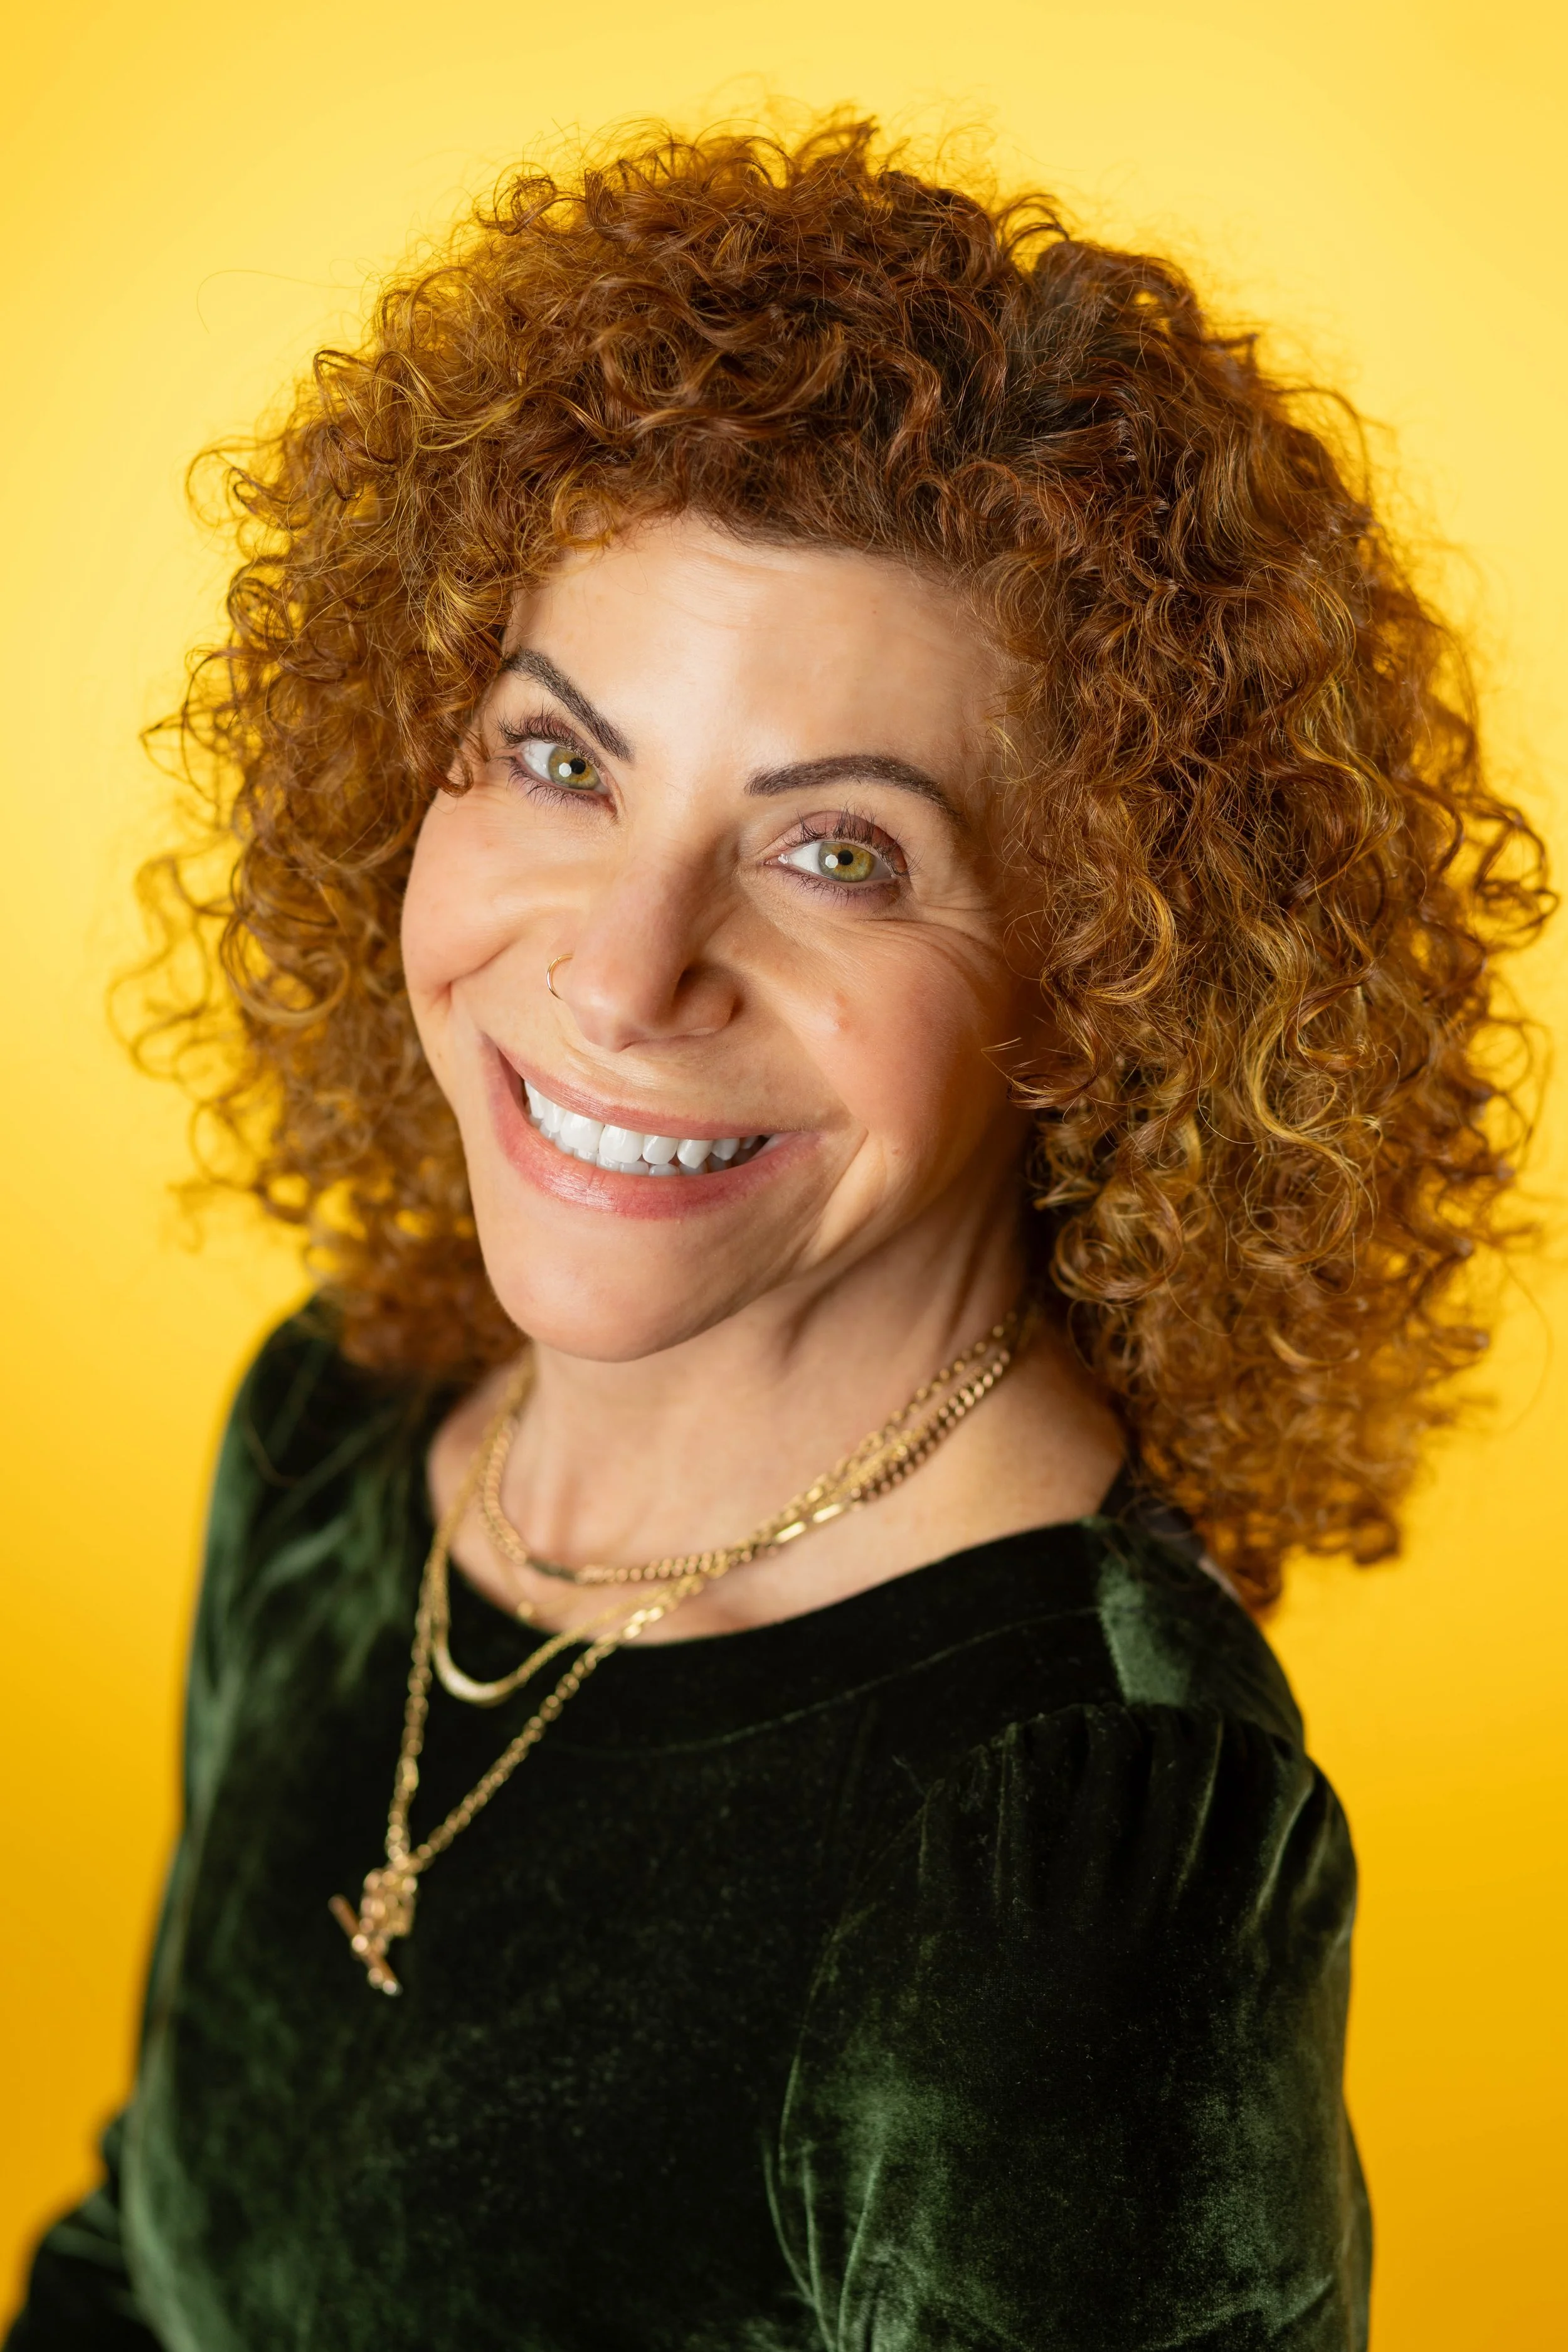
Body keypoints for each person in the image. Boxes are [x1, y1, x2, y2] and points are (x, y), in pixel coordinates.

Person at [8, 118, 1549, 2352]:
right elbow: (148, 2249)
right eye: (558, 761)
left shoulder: (1069, 1855)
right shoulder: (335, 1444)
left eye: (837, 854)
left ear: (1097, 978)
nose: (626, 974)